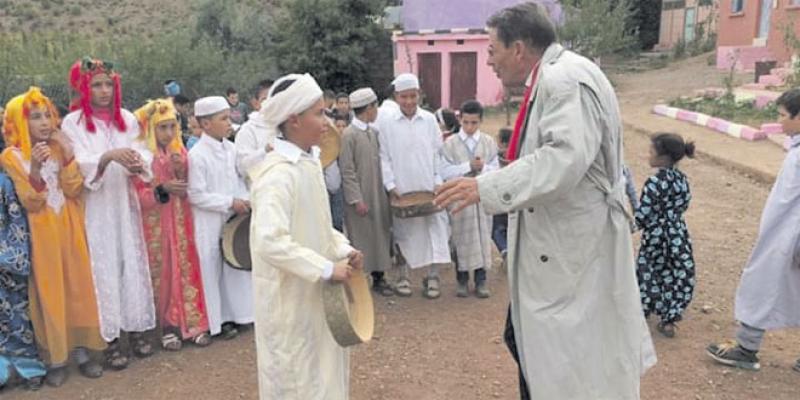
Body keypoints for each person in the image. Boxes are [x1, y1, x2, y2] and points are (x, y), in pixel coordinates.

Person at [433, 4, 655, 399]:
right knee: (534, 344)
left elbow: (562, 159)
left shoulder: (564, 80)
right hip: (560, 247)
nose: (489, 60)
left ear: (518, 49)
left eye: (492, 50)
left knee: (566, 359)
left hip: (572, 251)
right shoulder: (556, 76)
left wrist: (485, 188)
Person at [248, 72, 362, 400]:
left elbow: (318, 223)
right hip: (290, 303)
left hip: (316, 296)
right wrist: (325, 269)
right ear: (294, 120)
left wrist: (344, 249)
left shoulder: (309, 164)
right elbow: (270, 241)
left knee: (324, 376)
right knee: (297, 380)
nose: (326, 121)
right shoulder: (276, 175)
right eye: (319, 113)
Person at [1, 87, 106, 386]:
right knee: (49, 292)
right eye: (35, 117)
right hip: (41, 231)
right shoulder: (11, 156)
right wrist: (34, 167)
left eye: (47, 115)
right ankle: (56, 358)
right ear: (19, 122)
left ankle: (84, 352)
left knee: (78, 286)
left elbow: (73, 188)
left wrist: (70, 153)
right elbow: (30, 202)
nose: (45, 122)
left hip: (70, 225)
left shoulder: (60, 147)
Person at [62, 57, 157, 371]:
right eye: (96, 85)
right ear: (83, 88)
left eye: (108, 85)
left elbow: (143, 150)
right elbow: (77, 163)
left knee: (130, 259)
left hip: (124, 202)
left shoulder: (127, 118)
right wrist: (106, 157)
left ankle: (136, 328)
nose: (104, 91)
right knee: (102, 267)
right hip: (96, 205)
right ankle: (111, 339)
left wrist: (136, 163)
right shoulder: (72, 123)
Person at [706, 88, 800, 373]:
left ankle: (747, 348)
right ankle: (747, 345)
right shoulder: (796, 149)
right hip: (782, 234)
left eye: (783, 116)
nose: (779, 121)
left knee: (761, 282)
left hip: (788, 238)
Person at [132, 99, 211, 351]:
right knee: (163, 273)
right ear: (150, 129)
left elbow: (191, 183)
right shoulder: (143, 156)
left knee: (187, 267)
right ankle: (167, 326)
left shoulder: (181, 151)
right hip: (155, 227)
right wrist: (162, 188)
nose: (168, 133)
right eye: (162, 127)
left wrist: (181, 170)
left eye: (171, 127)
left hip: (180, 222)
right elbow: (138, 196)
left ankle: (194, 322)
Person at [378, 73, 451, 299]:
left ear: (419, 95)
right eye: (403, 97)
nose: (408, 101)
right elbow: (384, 157)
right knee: (403, 233)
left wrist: (438, 181)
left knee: (434, 231)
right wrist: (390, 185)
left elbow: (437, 154)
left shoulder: (429, 120)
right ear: (396, 96)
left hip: (428, 186)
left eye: (412, 96)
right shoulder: (387, 122)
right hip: (402, 189)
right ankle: (403, 276)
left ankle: (432, 277)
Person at [188, 96, 253, 339]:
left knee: (235, 264)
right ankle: (217, 321)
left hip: (233, 219)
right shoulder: (197, 155)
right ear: (205, 124)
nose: (229, 122)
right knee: (212, 268)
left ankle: (240, 315)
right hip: (209, 221)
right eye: (223, 118)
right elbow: (195, 195)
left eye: (229, 117)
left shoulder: (231, 148)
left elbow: (239, 178)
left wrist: (245, 199)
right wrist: (229, 202)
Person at [635, 133, 696, 338]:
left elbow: (643, 214)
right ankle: (669, 319)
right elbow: (685, 204)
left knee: (647, 270)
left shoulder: (654, 182)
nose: (648, 155)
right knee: (676, 272)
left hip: (655, 235)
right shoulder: (682, 180)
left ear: (663, 157)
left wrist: (628, 227)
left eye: (651, 151)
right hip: (677, 233)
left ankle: (642, 310)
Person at [440, 100, 498, 298]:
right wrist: (467, 167)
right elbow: (444, 171)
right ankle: (462, 279)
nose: (470, 127)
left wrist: (483, 168)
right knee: (461, 237)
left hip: (482, 196)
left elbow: (496, 170)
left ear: (480, 121)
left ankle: (481, 280)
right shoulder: (450, 143)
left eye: (474, 123)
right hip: (459, 197)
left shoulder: (489, 143)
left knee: (483, 237)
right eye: (466, 123)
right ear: (460, 120)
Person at [340, 88, 394, 297]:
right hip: (360, 198)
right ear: (368, 108)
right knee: (360, 239)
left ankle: (379, 277)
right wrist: (356, 199)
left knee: (379, 235)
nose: (377, 111)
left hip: (377, 194)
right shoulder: (348, 135)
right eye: (375, 107)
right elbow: (347, 170)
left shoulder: (373, 132)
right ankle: (358, 282)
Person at [0, 160, 47, 391]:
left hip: (6, 261)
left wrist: (6, 256)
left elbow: (16, 220)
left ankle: (30, 368)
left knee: (17, 316)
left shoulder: (4, 183)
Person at [235, 80, 278, 179]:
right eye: (265, 99)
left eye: (275, 98)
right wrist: (264, 151)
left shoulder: (287, 126)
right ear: (256, 103)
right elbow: (242, 168)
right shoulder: (248, 130)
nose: (271, 103)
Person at [491, 127, 512, 261]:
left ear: (502, 143)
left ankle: (505, 250)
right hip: (514, 198)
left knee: (497, 229)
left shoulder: (496, 157)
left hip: (499, 198)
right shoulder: (518, 155)